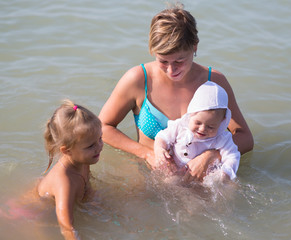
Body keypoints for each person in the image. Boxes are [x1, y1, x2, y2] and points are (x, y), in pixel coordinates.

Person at [99, 3, 253, 182]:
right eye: (163, 61)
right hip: (150, 179)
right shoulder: (138, 79)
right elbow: (103, 127)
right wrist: (148, 154)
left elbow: (245, 137)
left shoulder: (214, 82)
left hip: (201, 181)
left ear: (194, 47)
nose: (172, 70)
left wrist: (211, 155)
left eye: (179, 60)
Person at [1, 100, 103, 240]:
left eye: (100, 138)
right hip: (28, 213)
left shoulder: (84, 159)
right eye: (91, 145)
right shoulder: (64, 183)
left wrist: (94, 204)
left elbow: (87, 188)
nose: (99, 147)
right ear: (67, 151)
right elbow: (66, 226)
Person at [154, 81, 240, 181]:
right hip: (177, 172)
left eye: (211, 127)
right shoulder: (180, 127)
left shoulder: (222, 139)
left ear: (221, 122)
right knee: (169, 182)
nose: (202, 129)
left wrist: (226, 173)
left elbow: (232, 156)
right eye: (198, 123)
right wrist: (159, 149)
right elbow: (162, 137)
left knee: (225, 187)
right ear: (191, 114)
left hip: (204, 178)